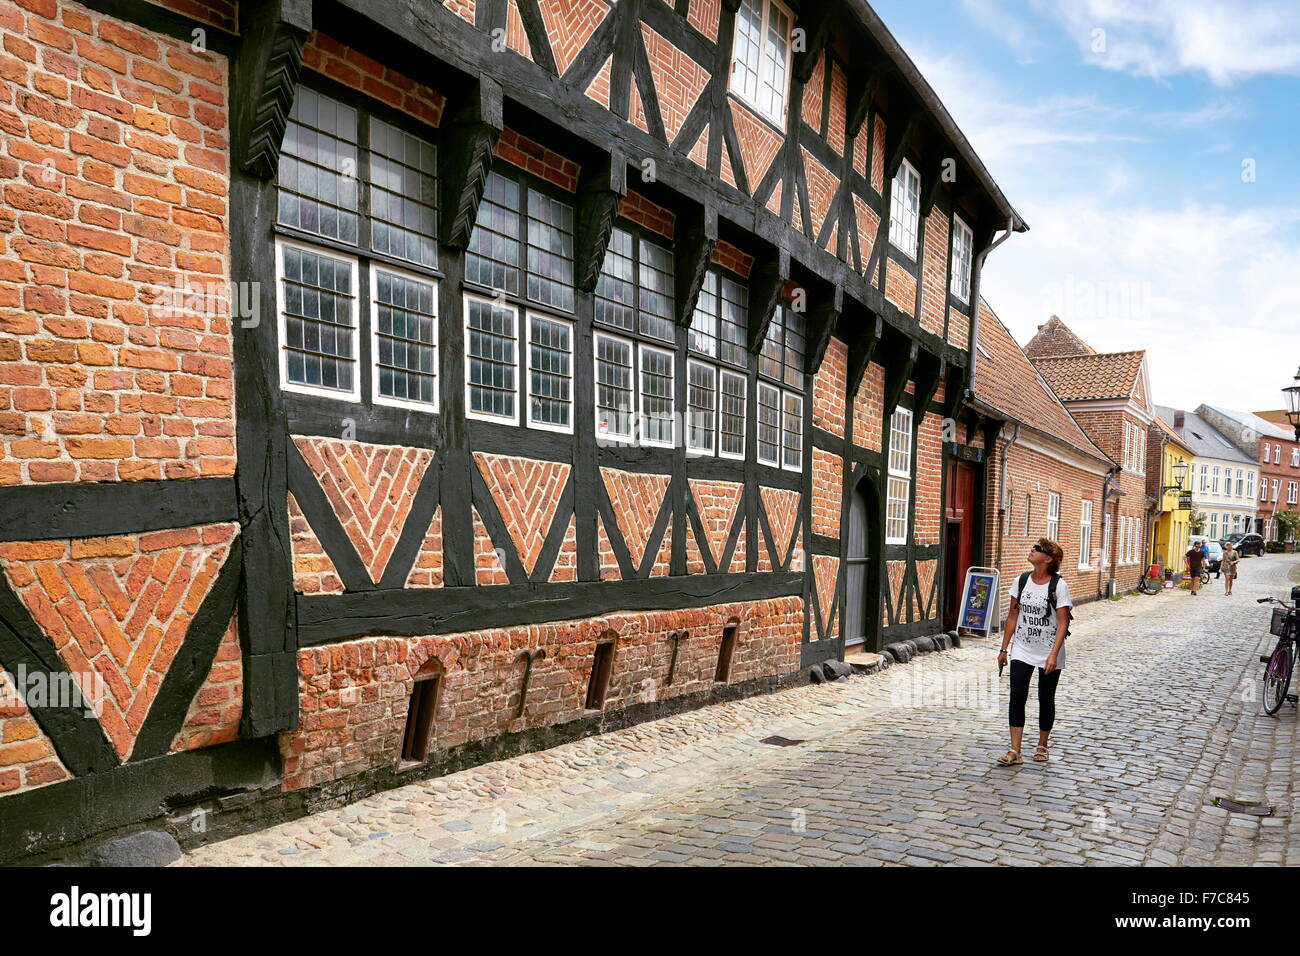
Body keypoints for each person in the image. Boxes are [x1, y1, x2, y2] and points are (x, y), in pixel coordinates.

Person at [996, 539, 1073, 767]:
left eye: (1038, 549)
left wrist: (1053, 655)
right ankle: (1015, 750)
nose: (1032, 550)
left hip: (1049, 650)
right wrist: (1004, 648)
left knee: (1045, 698)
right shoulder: (1021, 581)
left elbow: (1062, 623)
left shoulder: (1059, 586)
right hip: (1022, 648)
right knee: (1017, 696)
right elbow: (1012, 616)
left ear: (1048, 558)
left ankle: (1042, 744)